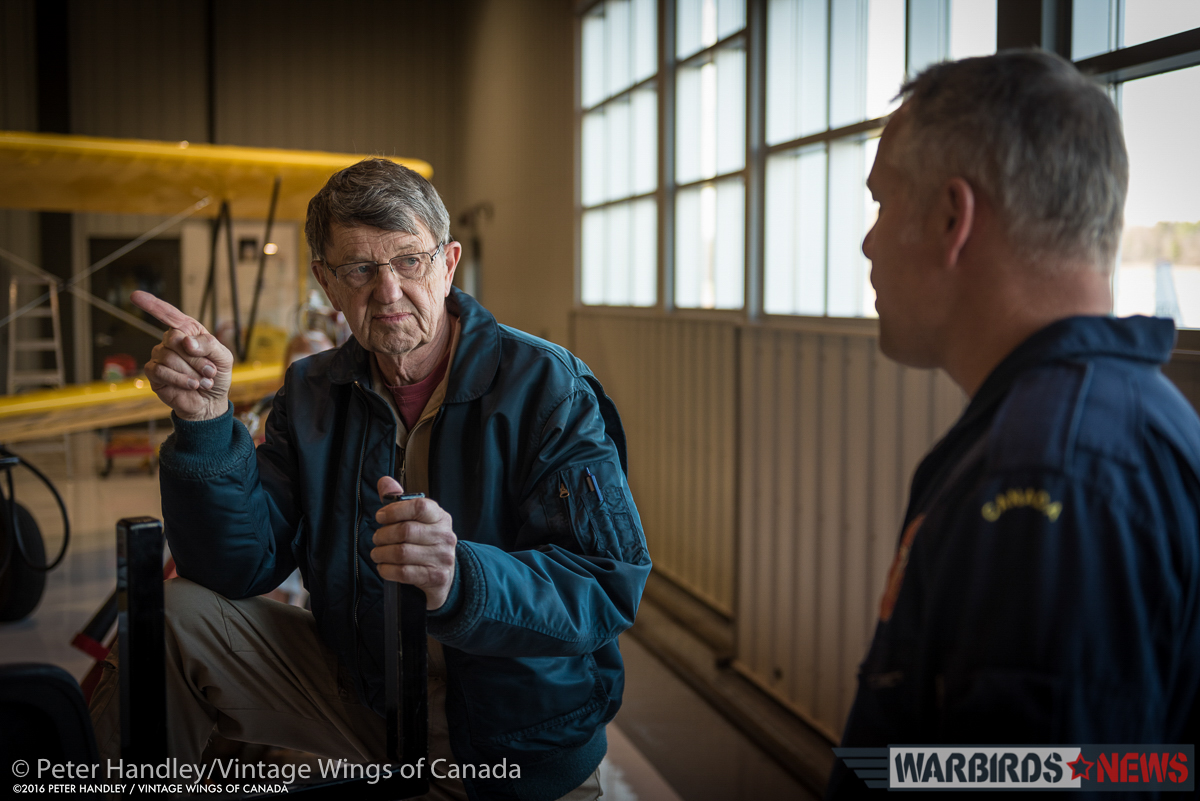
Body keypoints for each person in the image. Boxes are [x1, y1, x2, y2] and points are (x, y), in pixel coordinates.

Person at [90, 158, 652, 801]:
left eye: (409, 261)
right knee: (171, 616)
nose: (387, 293)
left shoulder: (548, 387)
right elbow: (238, 568)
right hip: (370, 698)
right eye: (359, 269)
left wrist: (461, 578)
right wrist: (207, 427)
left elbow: (608, 585)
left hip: (519, 739)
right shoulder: (312, 390)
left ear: (448, 264)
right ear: (326, 283)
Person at [827, 50, 1200, 797]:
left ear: (950, 218)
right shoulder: (1131, 417)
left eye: (882, 202)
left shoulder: (1047, 479)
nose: (868, 242)